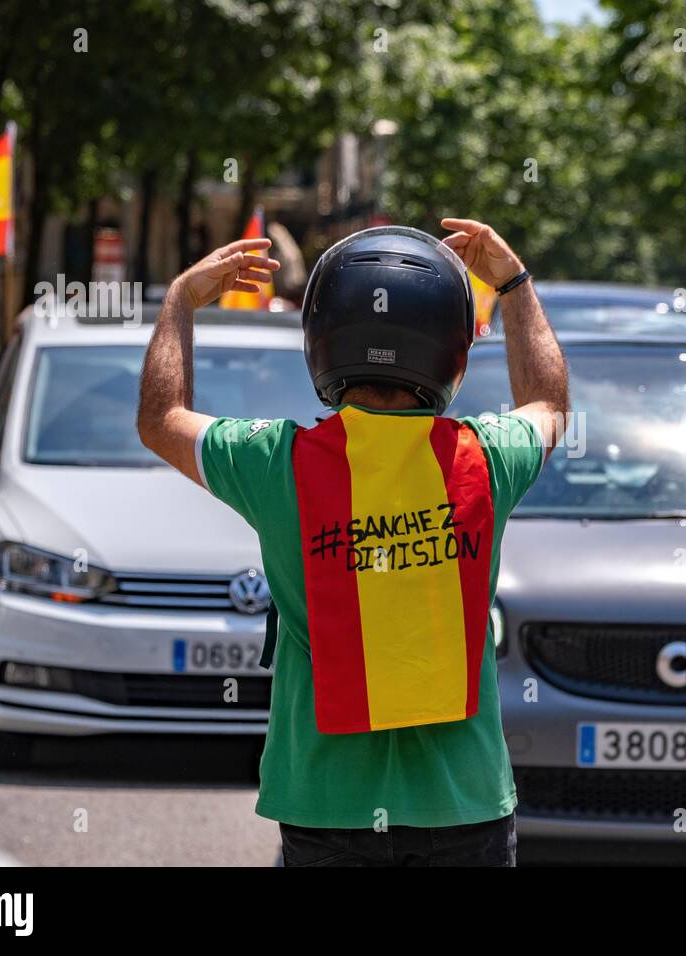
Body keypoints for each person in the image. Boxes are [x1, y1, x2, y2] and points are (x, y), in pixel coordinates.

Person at [137, 218, 568, 866]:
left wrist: (178, 301)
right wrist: (512, 282)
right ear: (451, 347)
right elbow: (549, 403)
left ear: (322, 339)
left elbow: (160, 418)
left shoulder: (276, 463)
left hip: (324, 807)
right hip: (464, 807)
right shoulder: (485, 458)